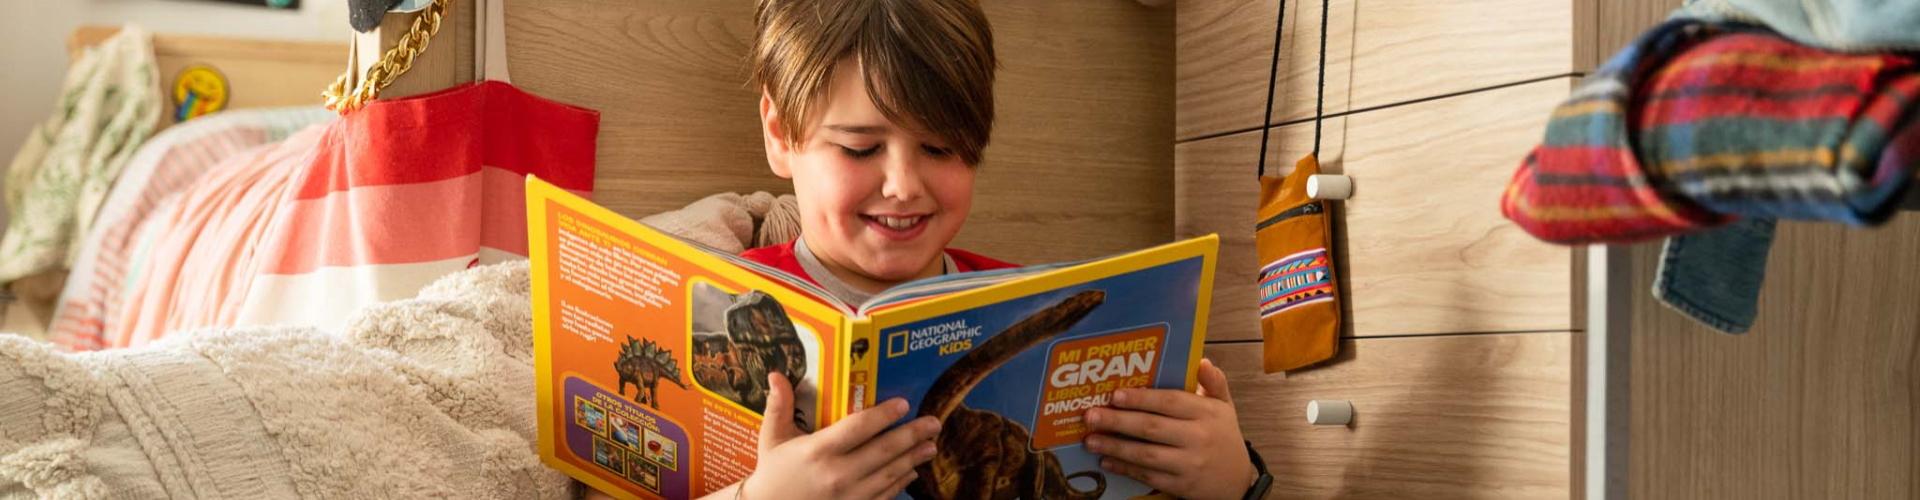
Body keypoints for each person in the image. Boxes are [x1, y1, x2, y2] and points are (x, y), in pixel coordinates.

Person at [650, 0, 1265, 498]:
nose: (904, 186)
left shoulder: (1023, 301)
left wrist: (1235, 481)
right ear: (781, 133)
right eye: (860, 149)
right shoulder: (701, 302)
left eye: (941, 149)